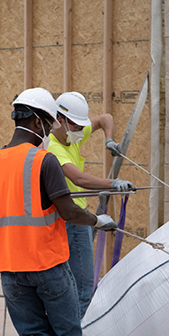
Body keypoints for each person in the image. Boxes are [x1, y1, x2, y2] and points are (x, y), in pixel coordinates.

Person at [0, 87, 117, 336]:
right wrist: (97, 220)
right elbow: (68, 210)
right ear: (38, 121)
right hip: (48, 265)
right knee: (68, 334)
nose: (51, 128)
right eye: (50, 122)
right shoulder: (44, 161)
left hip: (10, 272)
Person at [45, 91, 132, 320]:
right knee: (83, 288)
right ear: (60, 121)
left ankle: (74, 330)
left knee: (77, 286)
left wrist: (109, 140)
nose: (79, 131)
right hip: (71, 221)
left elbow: (105, 119)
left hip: (77, 218)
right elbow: (79, 179)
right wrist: (113, 183)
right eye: (76, 126)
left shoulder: (72, 133)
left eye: (80, 127)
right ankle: (80, 334)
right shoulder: (52, 148)